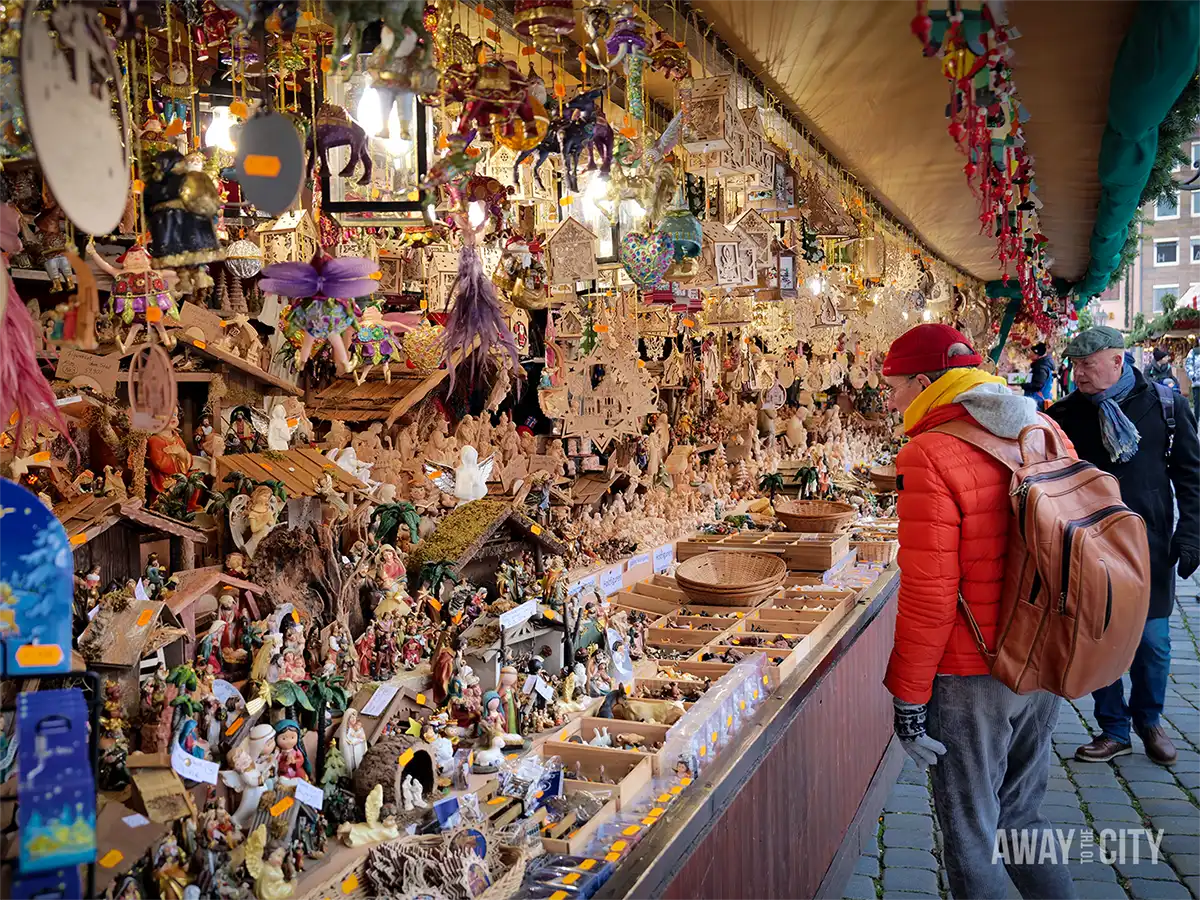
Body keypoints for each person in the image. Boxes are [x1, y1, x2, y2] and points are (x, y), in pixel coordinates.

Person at [882, 323, 1076, 900]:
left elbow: (929, 593)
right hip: (1041, 652)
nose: (890, 400)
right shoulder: (1042, 426)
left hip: (973, 672)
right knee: (1022, 816)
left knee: (972, 834)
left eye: (893, 388)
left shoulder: (928, 453)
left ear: (923, 383)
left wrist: (909, 698)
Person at [1047, 326, 1200, 765]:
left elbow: (1191, 478)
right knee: (1099, 637)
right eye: (1075, 365)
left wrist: (1190, 534)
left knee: (1152, 641)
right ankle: (1113, 728)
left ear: (1118, 361)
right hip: (1089, 547)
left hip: (1149, 545)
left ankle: (1149, 719)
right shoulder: (1065, 415)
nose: (1079, 373)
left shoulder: (1166, 406)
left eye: (1088, 365)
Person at [1021, 342, 1055, 409]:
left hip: (1038, 401)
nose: (1030, 354)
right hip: (1038, 400)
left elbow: (1038, 385)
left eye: (1031, 352)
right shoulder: (1041, 365)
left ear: (1037, 354)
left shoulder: (1041, 367)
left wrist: (1023, 385)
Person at [1185, 342, 1200, 421]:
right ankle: (1196, 421)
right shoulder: (1194, 352)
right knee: (1197, 403)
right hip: (1197, 383)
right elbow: (1188, 364)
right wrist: (1193, 376)